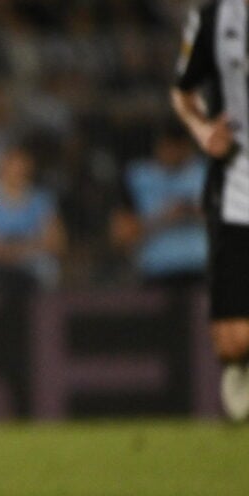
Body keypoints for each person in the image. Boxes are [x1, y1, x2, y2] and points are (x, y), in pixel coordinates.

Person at [172, 0, 249, 421]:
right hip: (238, 188)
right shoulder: (214, 17)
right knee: (232, 343)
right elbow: (182, 92)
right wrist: (204, 132)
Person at [108, 121, 208, 288]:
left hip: (202, 270)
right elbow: (120, 234)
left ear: (187, 147)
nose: (171, 153)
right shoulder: (137, 178)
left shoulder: (208, 175)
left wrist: (195, 212)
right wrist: (165, 217)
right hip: (158, 271)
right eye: (167, 146)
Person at [0, 143, 66, 294]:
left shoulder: (41, 199)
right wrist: (6, 253)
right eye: (13, 166)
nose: (17, 172)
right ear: (2, 167)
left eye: (22, 167)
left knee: (47, 268)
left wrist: (23, 250)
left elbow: (56, 241)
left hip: (31, 257)